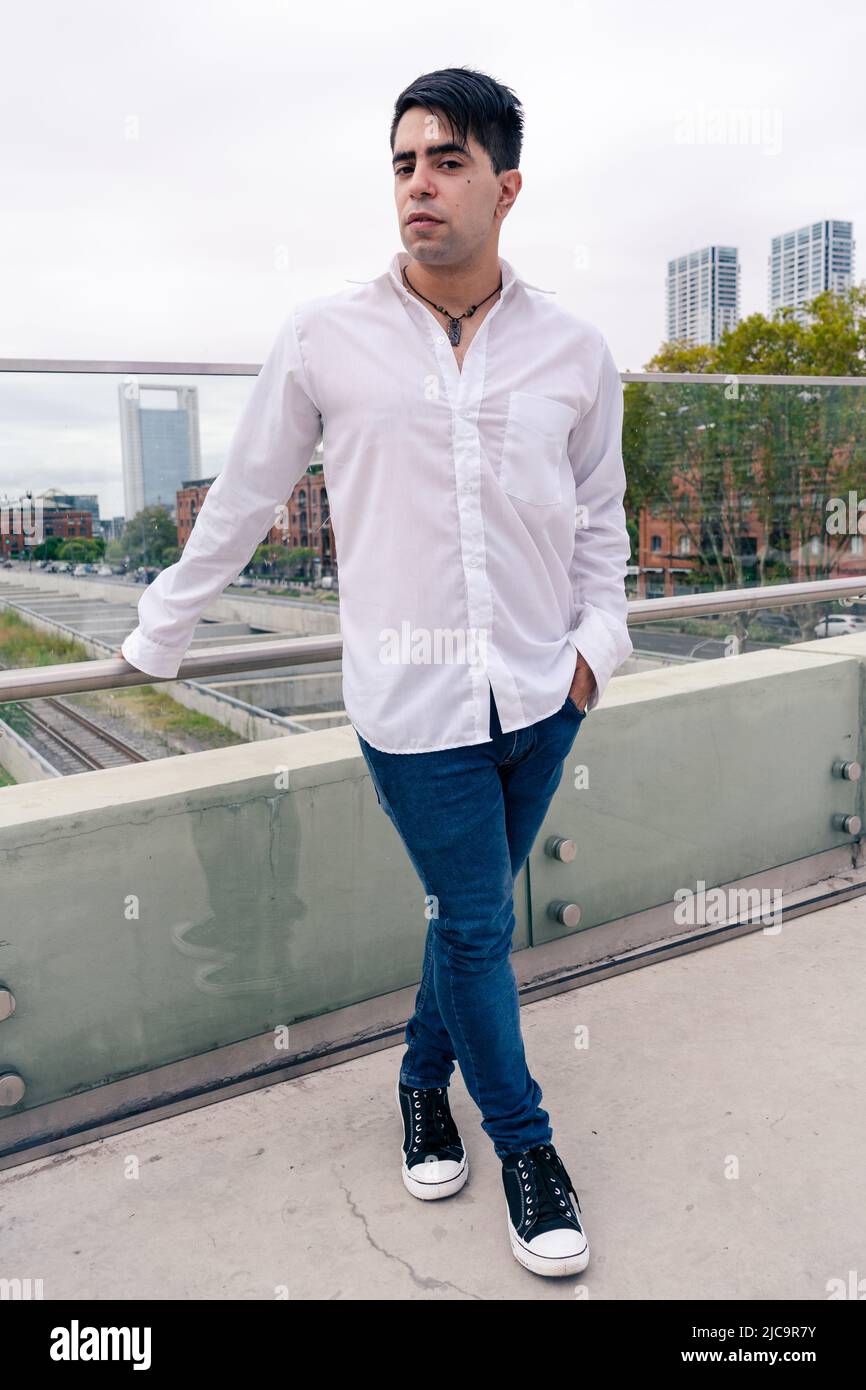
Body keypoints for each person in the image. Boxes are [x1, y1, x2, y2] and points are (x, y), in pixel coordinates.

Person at [120, 66, 633, 1280]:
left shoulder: (573, 348)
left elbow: (602, 519)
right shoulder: (324, 337)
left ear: (505, 187)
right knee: (473, 925)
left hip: (541, 697)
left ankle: (417, 1081)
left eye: (447, 161)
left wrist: (590, 657)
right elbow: (243, 498)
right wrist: (158, 635)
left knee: (458, 930)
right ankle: (526, 1149)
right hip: (412, 712)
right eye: (403, 162)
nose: (419, 184)